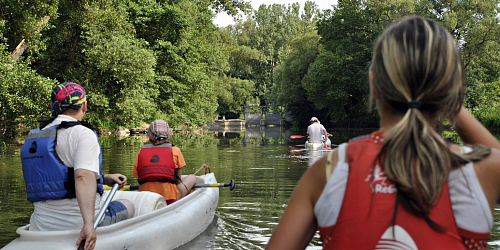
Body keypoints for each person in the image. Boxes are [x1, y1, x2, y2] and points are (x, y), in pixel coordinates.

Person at [266, 16, 500, 250]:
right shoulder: (485, 170)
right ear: (449, 90)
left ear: (374, 83)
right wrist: (447, 94)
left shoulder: (327, 171)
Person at [20, 82, 135, 250]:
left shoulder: (34, 137)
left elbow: (57, 174)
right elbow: (82, 176)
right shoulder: (83, 133)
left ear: (54, 106)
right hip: (76, 224)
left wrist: (103, 178)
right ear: (84, 106)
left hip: (41, 225)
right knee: (128, 205)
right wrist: (88, 224)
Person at [132, 119, 197, 205]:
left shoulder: (140, 152)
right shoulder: (175, 150)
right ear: (168, 135)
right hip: (169, 199)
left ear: (150, 136)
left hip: (146, 199)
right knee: (192, 177)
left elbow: (140, 178)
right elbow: (178, 180)